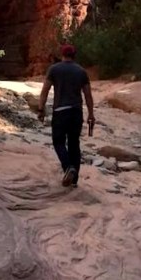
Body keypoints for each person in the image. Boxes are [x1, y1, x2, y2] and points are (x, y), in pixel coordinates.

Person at [37, 44, 95, 187]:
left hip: (60, 111)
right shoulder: (81, 71)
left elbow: (45, 90)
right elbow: (88, 95)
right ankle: (74, 180)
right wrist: (91, 114)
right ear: (74, 55)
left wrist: (41, 109)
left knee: (58, 141)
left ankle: (68, 167)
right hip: (76, 112)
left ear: (62, 54)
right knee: (74, 143)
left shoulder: (54, 69)